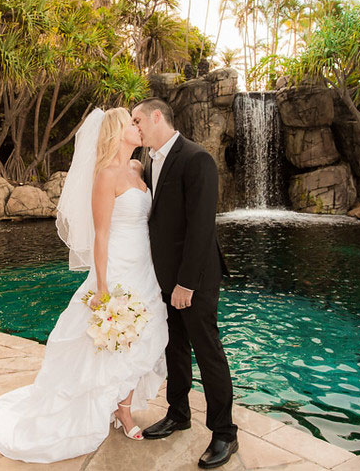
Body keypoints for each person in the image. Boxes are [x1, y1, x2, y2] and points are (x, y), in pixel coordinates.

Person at [0, 107, 169, 463]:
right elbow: (100, 235)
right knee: (108, 342)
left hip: (145, 267)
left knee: (144, 336)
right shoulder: (106, 176)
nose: (137, 127)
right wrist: (101, 287)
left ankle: (122, 407)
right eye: (131, 123)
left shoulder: (137, 168)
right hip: (117, 268)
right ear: (117, 132)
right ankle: (116, 411)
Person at [131, 97, 238, 469]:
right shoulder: (147, 160)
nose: (136, 127)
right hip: (163, 278)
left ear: (157, 117)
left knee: (207, 353)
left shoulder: (197, 159)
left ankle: (224, 433)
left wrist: (186, 284)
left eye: (138, 120)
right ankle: (179, 413)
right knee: (174, 349)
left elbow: (201, 228)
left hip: (195, 279)